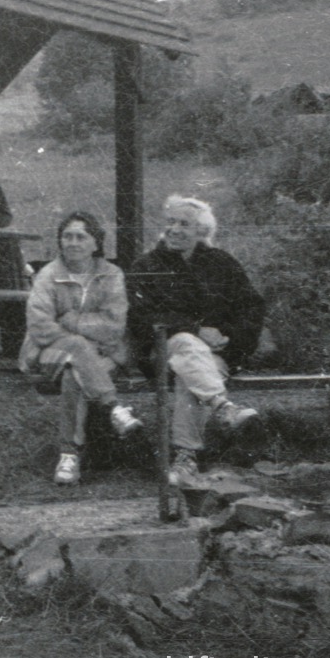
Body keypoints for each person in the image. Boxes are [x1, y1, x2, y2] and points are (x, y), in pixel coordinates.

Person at [127, 196, 265, 487]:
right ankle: (222, 407)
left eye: (184, 224)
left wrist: (228, 336)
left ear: (202, 231)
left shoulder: (222, 264)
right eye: (170, 222)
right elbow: (141, 317)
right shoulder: (147, 265)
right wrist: (196, 329)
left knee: (191, 374)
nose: (174, 229)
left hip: (213, 356)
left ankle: (186, 458)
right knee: (187, 346)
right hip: (162, 350)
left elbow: (251, 307)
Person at [20, 212, 143, 486]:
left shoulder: (111, 274)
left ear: (96, 244)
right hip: (48, 351)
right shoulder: (48, 275)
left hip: (102, 351)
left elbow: (114, 325)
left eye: (80, 236)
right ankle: (113, 408)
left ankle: (69, 456)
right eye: (67, 236)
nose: (72, 242)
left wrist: (72, 320)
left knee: (74, 373)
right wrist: (84, 338)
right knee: (76, 348)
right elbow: (40, 326)